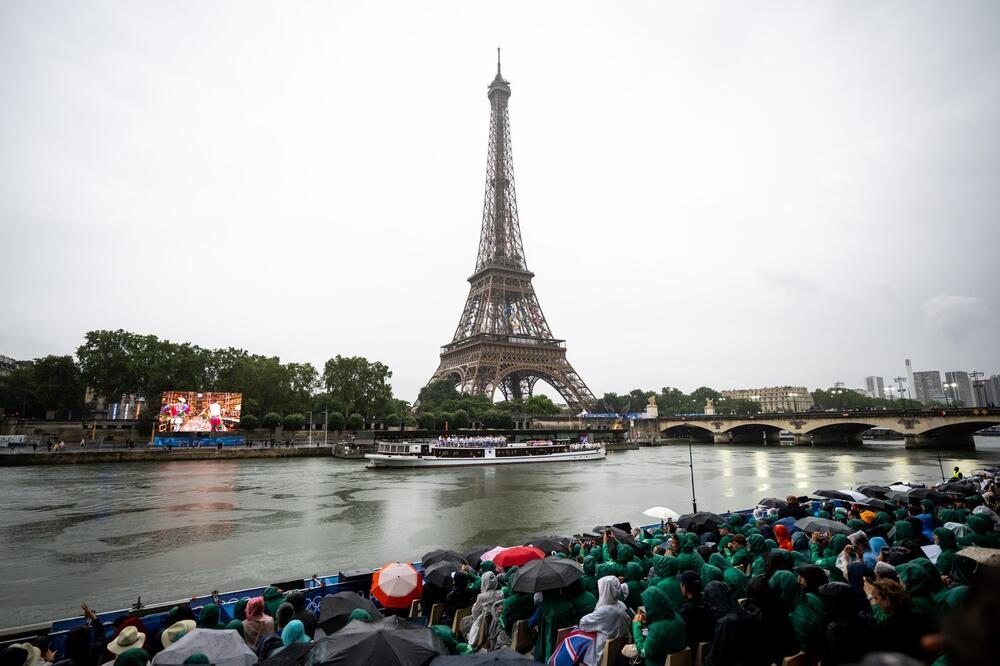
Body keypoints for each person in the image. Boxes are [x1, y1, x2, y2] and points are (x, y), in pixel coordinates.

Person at [576, 576, 631, 666]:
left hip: (602, 652)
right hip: (618, 649)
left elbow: (583, 624)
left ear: (604, 591)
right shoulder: (621, 605)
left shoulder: (604, 611)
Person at [630, 585, 687, 666]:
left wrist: (636, 625)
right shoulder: (677, 617)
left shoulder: (656, 629)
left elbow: (643, 652)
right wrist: (646, 622)